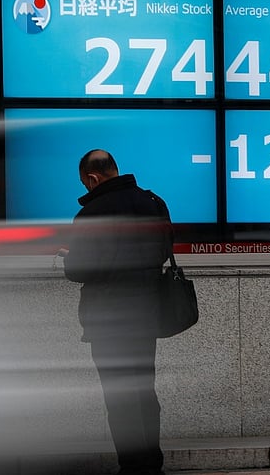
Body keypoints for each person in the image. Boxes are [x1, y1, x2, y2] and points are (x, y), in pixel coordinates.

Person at [62, 149, 173, 475]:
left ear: (93, 178)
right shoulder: (153, 203)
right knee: (143, 391)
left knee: (119, 396)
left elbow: (79, 269)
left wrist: (69, 257)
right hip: (146, 314)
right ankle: (152, 465)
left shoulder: (90, 215)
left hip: (108, 320)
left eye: (86, 183)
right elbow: (164, 252)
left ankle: (132, 467)